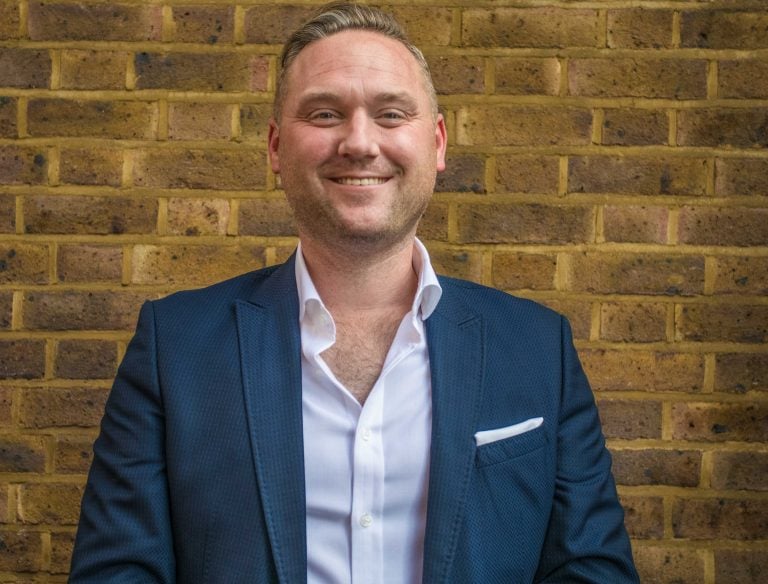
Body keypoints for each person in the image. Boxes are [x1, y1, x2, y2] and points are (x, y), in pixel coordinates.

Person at [69, 2, 639, 582]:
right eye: (325, 114)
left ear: (437, 143)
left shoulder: (538, 348)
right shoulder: (175, 347)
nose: (360, 142)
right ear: (275, 147)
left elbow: (591, 571)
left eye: (391, 114)